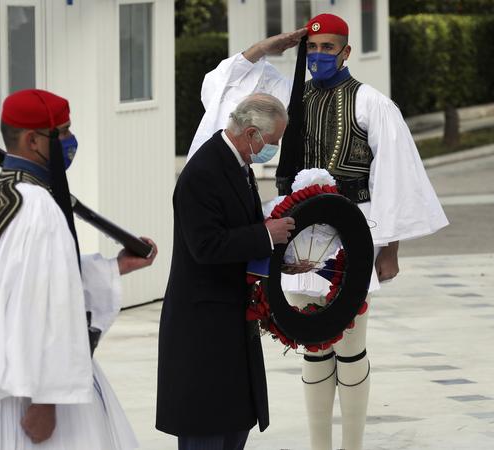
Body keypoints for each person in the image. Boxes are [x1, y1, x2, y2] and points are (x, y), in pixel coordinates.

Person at [186, 14, 449, 450]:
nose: (320, 55)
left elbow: (394, 177)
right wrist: (267, 47)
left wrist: (389, 249)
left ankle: (352, 446)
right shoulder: (290, 101)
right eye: (313, 47)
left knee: (350, 345)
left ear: (346, 52)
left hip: (353, 230)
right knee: (311, 341)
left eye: (329, 47)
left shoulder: (371, 103)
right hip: (301, 230)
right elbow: (221, 88)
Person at [0, 89, 158, 450]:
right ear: (33, 139)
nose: (69, 141)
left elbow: (37, 277)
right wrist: (45, 402)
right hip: (29, 390)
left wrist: (114, 268)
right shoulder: (37, 207)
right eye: (62, 132)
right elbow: (44, 303)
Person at [156, 93, 296, 450]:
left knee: (234, 424)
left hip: (230, 317)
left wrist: (281, 257)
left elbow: (240, 232)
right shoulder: (203, 172)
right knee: (207, 429)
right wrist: (266, 234)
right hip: (203, 324)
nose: (274, 148)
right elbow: (206, 246)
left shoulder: (236, 164)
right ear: (252, 133)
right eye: (273, 142)